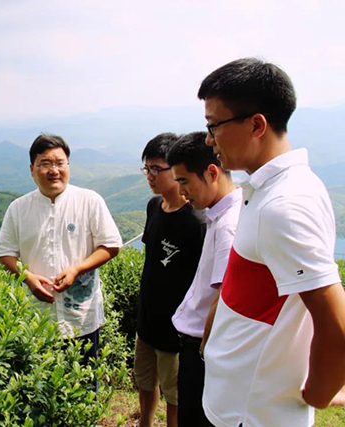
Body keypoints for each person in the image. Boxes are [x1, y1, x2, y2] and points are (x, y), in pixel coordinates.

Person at [199, 58, 345, 427]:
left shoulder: (283, 206)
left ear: (257, 124)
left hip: (252, 414)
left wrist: (316, 395)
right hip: (240, 403)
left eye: (213, 125)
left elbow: (337, 327)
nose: (207, 138)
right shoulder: (269, 188)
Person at [0, 133, 121, 365]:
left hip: (82, 315)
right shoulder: (18, 208)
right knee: (38, 385)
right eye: (45, 164)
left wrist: (77, 269)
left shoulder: (89, 201)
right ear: (32, 169)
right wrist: (28, 277)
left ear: (68, 166)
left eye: (59, 163)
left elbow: (110, 245)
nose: (54, 170)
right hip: (36, 316)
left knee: (83, 385)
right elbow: (5, 253)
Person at [166, 131, 241, 427]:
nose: (182, 191)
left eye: (184, 181)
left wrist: (203, 350)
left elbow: (226, 296)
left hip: (203, 351)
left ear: (211, 173)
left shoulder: (228, 225)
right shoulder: (220, 215)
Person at [135, 132, 206, 427]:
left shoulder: (195, 220)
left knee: (175, 394)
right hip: (147, 321)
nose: (150, 176)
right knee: (144, 381)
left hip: (176, 329)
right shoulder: (154, 207)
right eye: (147, 168)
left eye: (157, 169)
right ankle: (145, 423)